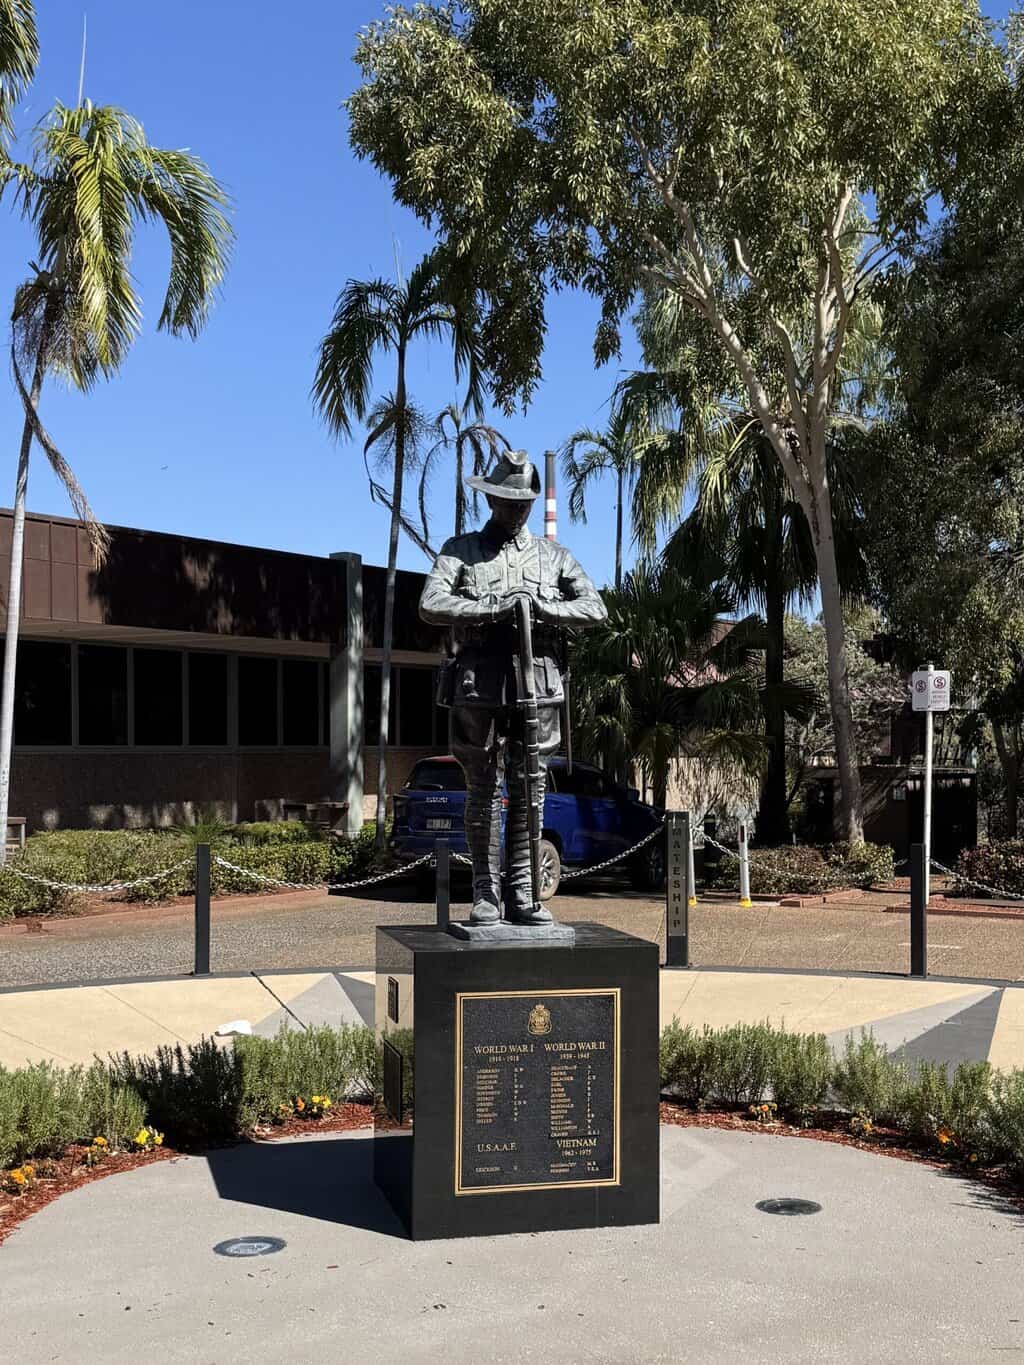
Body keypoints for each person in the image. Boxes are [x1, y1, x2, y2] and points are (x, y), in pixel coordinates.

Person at [419, 450, 607, 925]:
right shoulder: (461, 550)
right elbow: (431, 602)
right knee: (483, 788)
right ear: (491, 500)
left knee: (530, 788)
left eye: (524, 503)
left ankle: (524, 892)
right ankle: (486, 893)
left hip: (537, 679)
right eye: (508, 501)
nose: (517, 510)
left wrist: (543, 609)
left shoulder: (553, 556)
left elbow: (594, 609)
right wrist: (491, 607)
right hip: (479, 682)